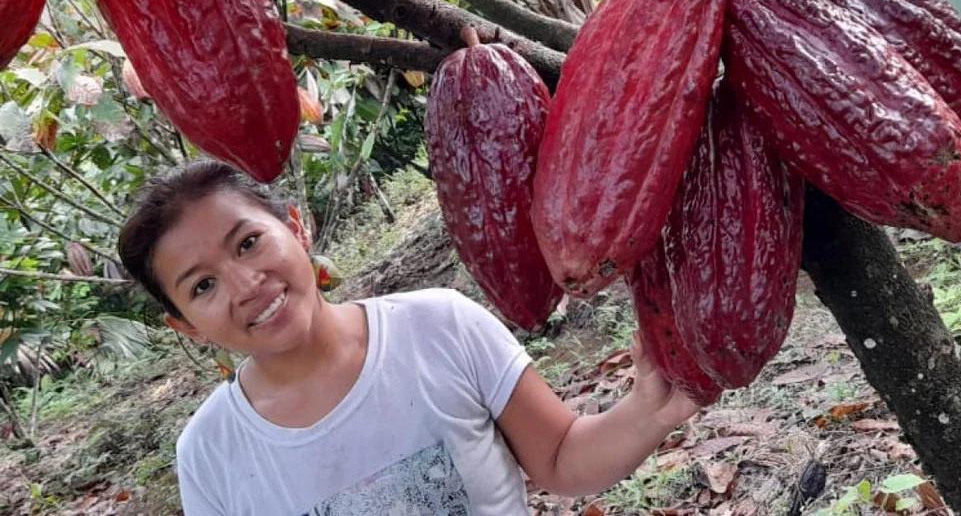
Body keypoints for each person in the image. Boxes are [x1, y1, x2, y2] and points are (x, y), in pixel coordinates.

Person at [118, 159, 701, 515]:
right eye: (202, 287)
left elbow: (560, 460)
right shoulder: (211, 450)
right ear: (186, 327)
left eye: (248, 243)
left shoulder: (438, 326)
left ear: (297, 227)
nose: (246, 285)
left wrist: (649, 409)